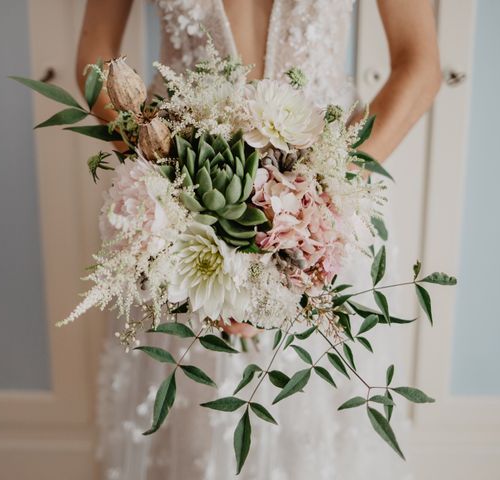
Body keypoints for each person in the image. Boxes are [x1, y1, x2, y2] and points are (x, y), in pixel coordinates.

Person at [76, 1, 440, 478]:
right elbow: (95, 54)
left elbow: (420, 63)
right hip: (176, 211)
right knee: (194, 413)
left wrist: (320, 196)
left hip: (325, 212)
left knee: (313, 413)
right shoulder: (173, 197)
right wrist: (169, 174)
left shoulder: (323, 202)